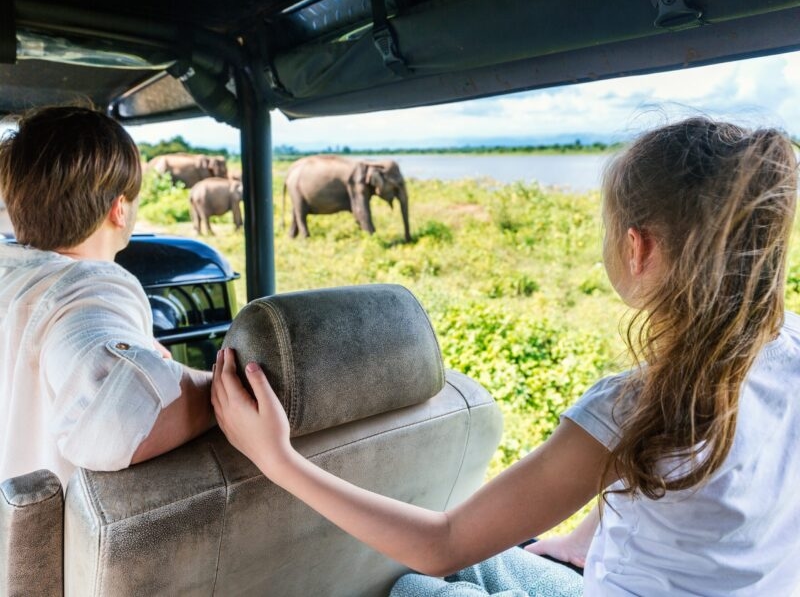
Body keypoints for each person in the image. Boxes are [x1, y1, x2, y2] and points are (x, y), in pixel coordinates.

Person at [211, 117, 800, 595]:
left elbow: (439, 545)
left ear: (636, 248)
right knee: (494, 565)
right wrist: (577, 539)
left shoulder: (639, 403)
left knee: (422, 589)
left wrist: (277, 459)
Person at [0, 105, 214, 486]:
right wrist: (214, 388)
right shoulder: (84, 291)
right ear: (119, 209)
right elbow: (115, 421)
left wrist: (143, 363)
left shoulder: (13, 279)